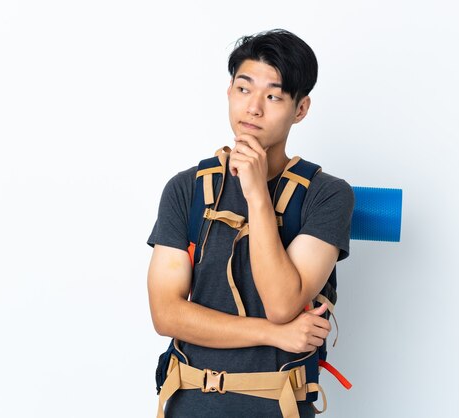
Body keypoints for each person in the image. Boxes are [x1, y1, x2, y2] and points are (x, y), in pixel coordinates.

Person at [146, 29, 354, 418]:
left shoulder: (327, 195)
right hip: (188, 403)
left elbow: (281, 303)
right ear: (229, 92)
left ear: (301, 109)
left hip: (278, 407)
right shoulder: (186, 189)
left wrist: (257, 194)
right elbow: (166, 314)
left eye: (273, 96)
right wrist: (274, 335)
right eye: (244, 89)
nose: (254, 107)